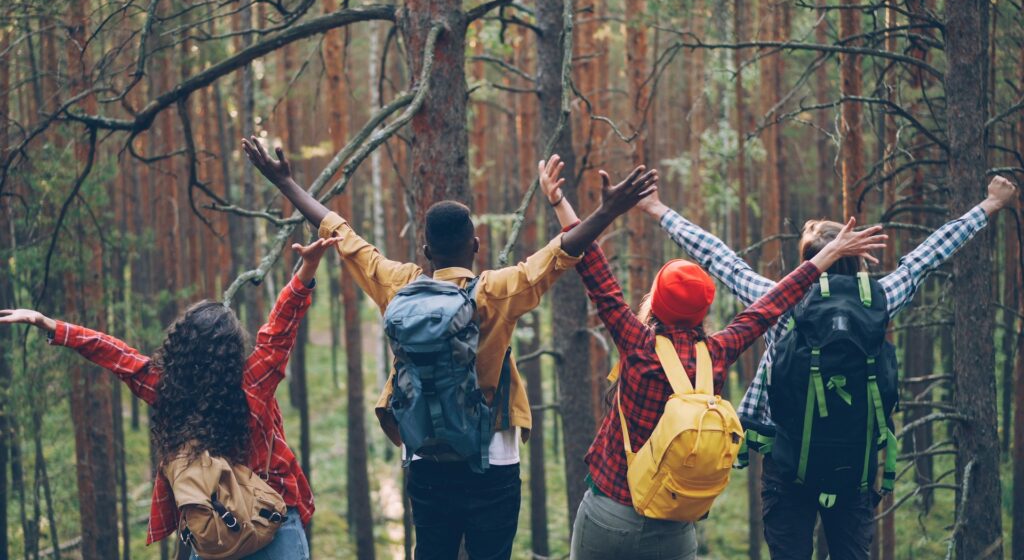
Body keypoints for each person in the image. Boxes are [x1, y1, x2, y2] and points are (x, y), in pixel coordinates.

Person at [241, 136, 657, 560]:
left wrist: (287, 183)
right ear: (475, 245)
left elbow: (340, 233)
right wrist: (607, 211)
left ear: (426, 251)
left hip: (424, 454)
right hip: (493, 459)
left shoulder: (398, 285)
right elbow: (560, 253)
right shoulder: (496, 292)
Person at [634, 175, 1019, 559]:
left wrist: (657, 209)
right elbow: (927, 256)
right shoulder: (879, 300)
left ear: (808, 261)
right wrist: (989, 205)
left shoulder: (780, 300)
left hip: (787, 467)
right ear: (856, 257)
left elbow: (720, 259)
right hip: (853, 471)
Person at [538, 158, 887, 560]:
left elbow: (596, 272)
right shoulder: (717, 354)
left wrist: (560, 202)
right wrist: (825, 258)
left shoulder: (638, 345)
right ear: (704, 311)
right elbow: (775, 303)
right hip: (674, 526)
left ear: (655, 301)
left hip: (609, 513)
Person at [0, 237, 339, 559]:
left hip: (217, 529)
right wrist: (307, 269)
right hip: (273, 520)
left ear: (181, 347)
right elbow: (279, 330)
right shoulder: (253, 384)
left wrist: (54, 327)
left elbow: (118, 356)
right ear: (232, 350)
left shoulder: (169, 391)